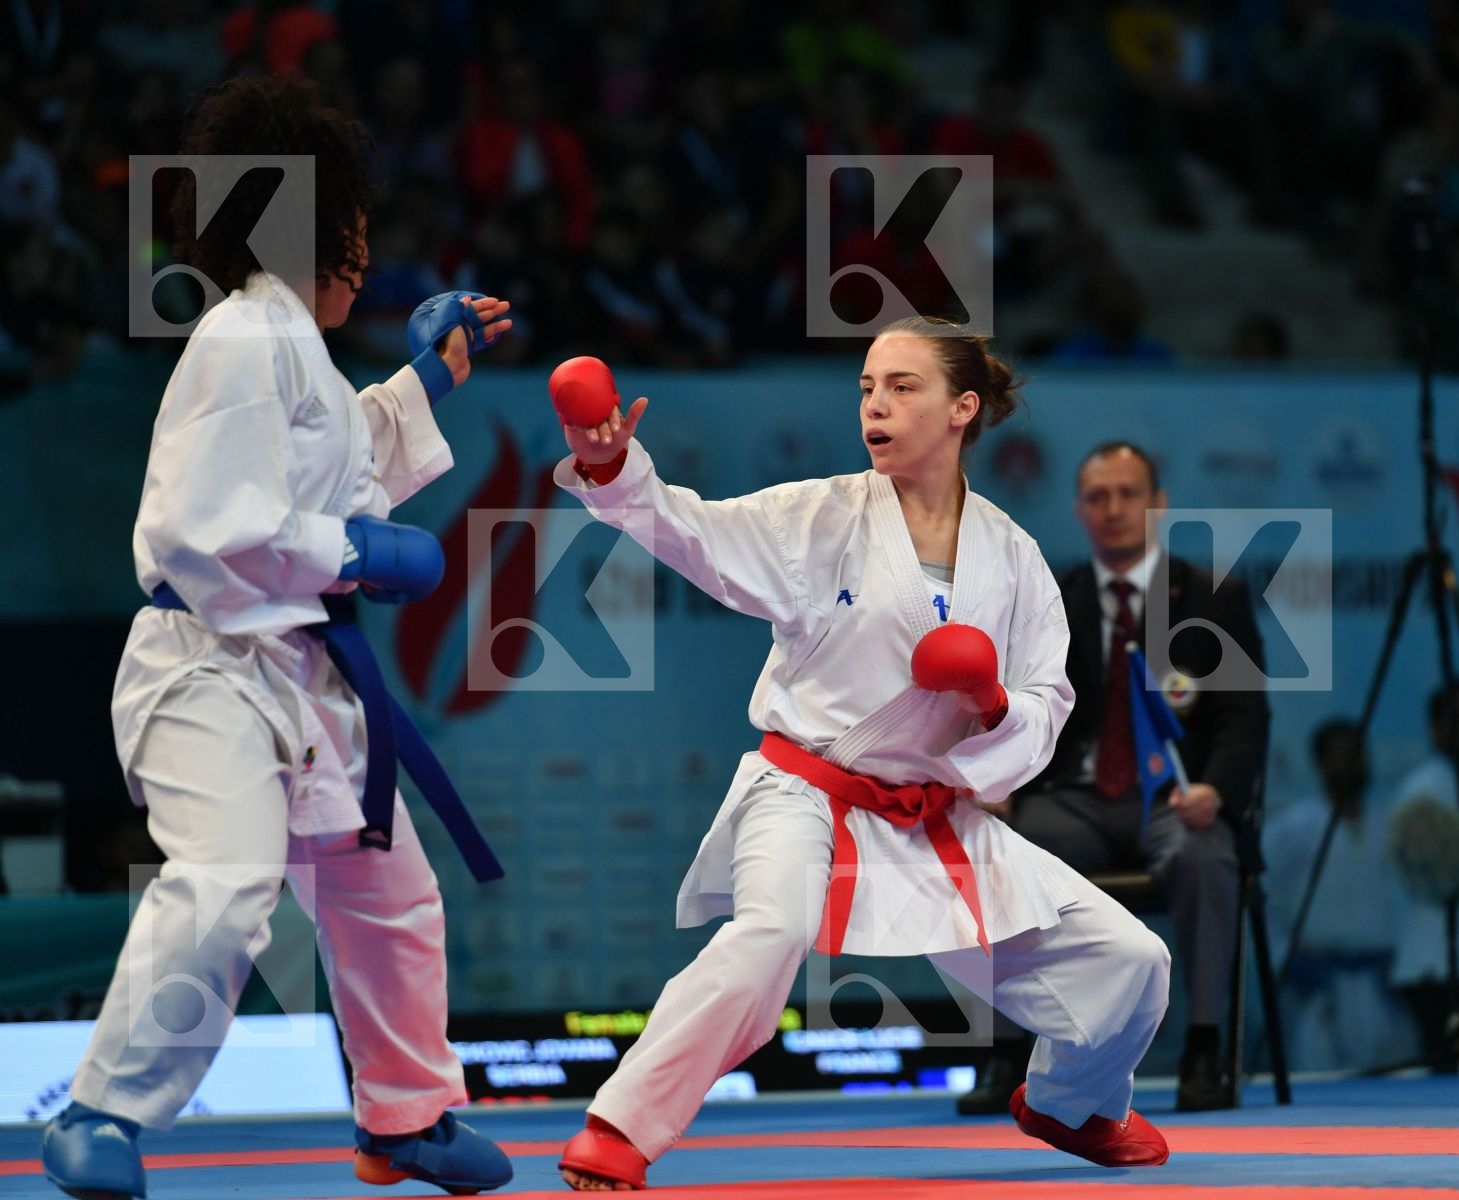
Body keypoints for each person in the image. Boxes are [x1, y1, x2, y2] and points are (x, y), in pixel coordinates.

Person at [552, 317, 1173, 1190]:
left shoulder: (1013, 557)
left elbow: (1049, 701)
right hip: (803, 792)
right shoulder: (821, 516)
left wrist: (995, 706)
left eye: (901, 387)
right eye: (867, 388)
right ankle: (621, 1126)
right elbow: (694, 534)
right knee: (769, 933)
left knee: (1132, 960)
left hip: (931, 815)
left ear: (962, 408)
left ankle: (1072, 1103)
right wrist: (614, 467)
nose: (875, 404)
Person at [40, 74, 515, 1200]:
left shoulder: (291, 346)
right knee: (228, 881)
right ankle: (101, 1109)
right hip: (208, 667)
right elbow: (204, 526)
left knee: (388, 890)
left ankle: (406, 1115)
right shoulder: (246, 334)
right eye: (357, 229)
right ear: (321, 229)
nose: (369, 255)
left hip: (298, 670)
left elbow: (336, 461)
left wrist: (426, 382)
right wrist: (357, 553)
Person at [958, 441, 1269, 1115]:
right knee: (999, 854)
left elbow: (1244, 720)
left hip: (1175, 800)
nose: (1114, 509)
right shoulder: (1049, 600)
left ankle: (1204, 1048)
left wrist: (1216, 789)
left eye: (1129, 494)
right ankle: (1006, 1053)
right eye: (1098, 497)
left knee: (1204, 855)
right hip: (1072, 800)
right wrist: (1000, 781)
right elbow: (1015, 707)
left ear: (1158, 505)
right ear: (1079, 510)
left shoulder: (1214, 598)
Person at [1263, 720, 1415, 1071]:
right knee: (1318, 1078)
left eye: (1358, 755)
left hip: (1381, 980)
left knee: (1397, 1075)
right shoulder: (1294, 827)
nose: (1353, 765)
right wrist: (1282, 953)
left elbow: (1406, 901)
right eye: (1342, 756)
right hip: (1320, 983)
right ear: (1320, 763)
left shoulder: (1389, 825)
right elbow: (1260, 898)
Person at [1387, 680, 1459, 1074]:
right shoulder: (1426, 787)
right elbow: (1430, 877)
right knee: (1447, 1073)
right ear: (1437, 729)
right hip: (1435, 962)